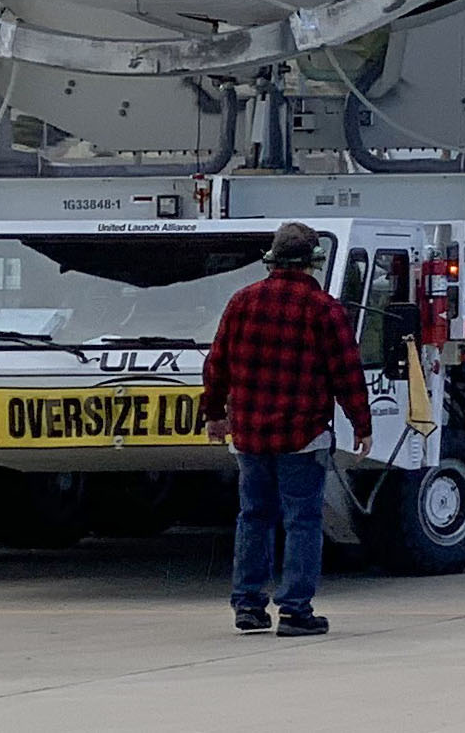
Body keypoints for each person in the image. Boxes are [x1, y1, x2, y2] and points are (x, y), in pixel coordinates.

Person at [200, 221, 372, 637]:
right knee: (302, 520)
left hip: (250, 435)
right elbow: (345, 374)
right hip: (302, 434)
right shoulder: (325, 310)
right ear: (314, 261)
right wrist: (361, 425)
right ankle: (295, 611)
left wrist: (214, 414)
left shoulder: (242, 302)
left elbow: (217, 363)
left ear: (272, 258)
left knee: (254, 517)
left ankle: (248, 606)